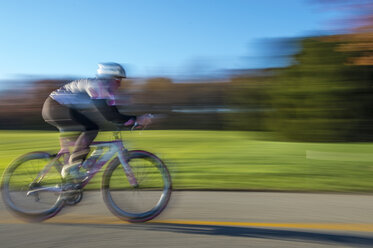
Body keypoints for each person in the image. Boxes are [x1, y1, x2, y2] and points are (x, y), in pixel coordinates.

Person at [42, 62, 151, 180]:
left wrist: (132, 123)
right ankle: (72, 167)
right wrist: (137, 119)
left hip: (62, 108)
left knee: (89, 137)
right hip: (55, 106)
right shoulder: (96, 85)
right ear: (108, 78)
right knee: (92, 129)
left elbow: (115, 116)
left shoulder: (105, 91)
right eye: (118, 80)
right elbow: (110, 116)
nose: (120, 84)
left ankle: (69, 186)